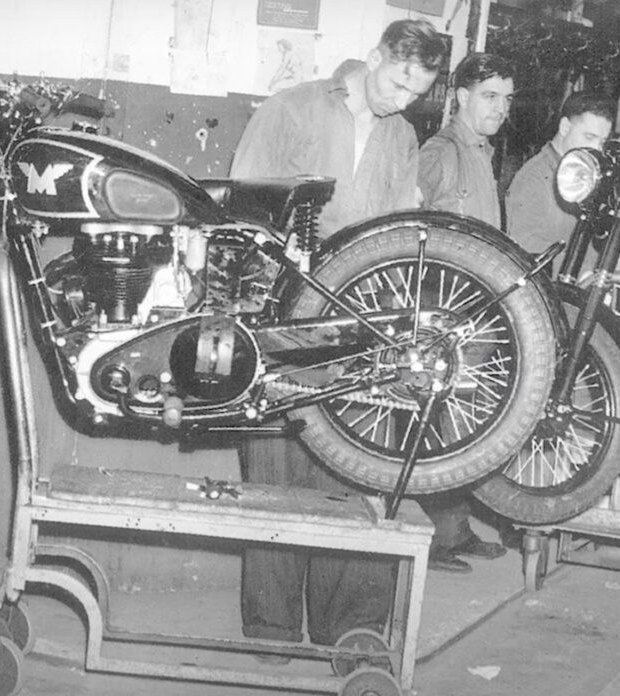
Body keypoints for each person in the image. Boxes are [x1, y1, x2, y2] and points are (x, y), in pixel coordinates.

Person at [229, 18, 448, 649]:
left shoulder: (402, 133)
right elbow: (244, 211)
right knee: (276, 472)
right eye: (397, 81)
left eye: (417, 91)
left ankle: (347, 629)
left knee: (356, 473)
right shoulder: (291, 109)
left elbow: (400, 223)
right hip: (283, 315)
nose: (402, 99)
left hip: (360, 320)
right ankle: (271, 630)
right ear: (373, 57)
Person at [416, 52, 515, 573]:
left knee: (463, 425)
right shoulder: (441, 152)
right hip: (443, 311)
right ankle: (432, 537)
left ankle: (453, 529)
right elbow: (410, 231)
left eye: (506, 98)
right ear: (461, 97)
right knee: (437, 423)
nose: (501, 108)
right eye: (490, 96)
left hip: (474, 310)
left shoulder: (481, 151)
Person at [507, 91, 615, 275]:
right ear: (565, 127)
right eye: (589, 138)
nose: (597, 149)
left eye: (602, 142)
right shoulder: (533, 178)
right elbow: (527, 255)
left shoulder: (584, 176)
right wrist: (598, 267)